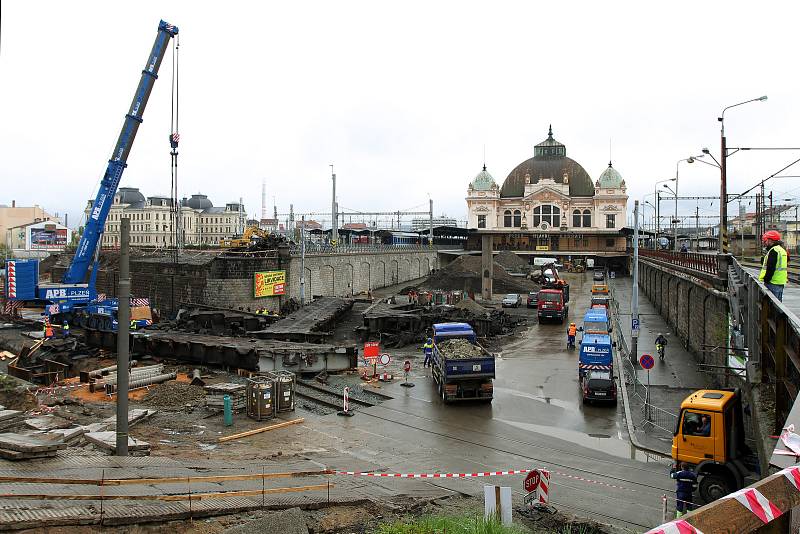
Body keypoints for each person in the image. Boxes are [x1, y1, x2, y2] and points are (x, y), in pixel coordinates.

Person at [759, 230, 788, 302]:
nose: (764, 243)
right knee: (778, 304)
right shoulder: (782, 250)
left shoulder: (773, 251)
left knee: (771, 306)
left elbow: (771, 268)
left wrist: (766, 280)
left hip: (772, 282)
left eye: (765, 241)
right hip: (780, 281)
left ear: (770, 240)